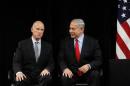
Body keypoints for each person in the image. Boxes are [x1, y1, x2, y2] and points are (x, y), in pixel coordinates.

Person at [58, 19, 102, 86]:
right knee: (65, 77)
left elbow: (99, 60)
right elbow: (61, 59)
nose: (70, 31)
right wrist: (65, 68)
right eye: (70, 28)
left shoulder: (93, 42)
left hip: (88, 73)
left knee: (95, 74)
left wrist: (88, 66)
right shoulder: (65, 42)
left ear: (81, 29)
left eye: (73, 29)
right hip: (72, 73)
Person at [13, 20, 54, 86]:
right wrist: (18, 72)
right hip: (26, 75)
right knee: (20, 79)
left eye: (42, 30)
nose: (39, 32)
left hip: (41, 75)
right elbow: (16, 61)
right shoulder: (22, 44)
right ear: (32, 29)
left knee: (47, 78)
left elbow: (51, 63)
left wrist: (47, 69)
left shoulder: (48, 46)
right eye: (37, 29)